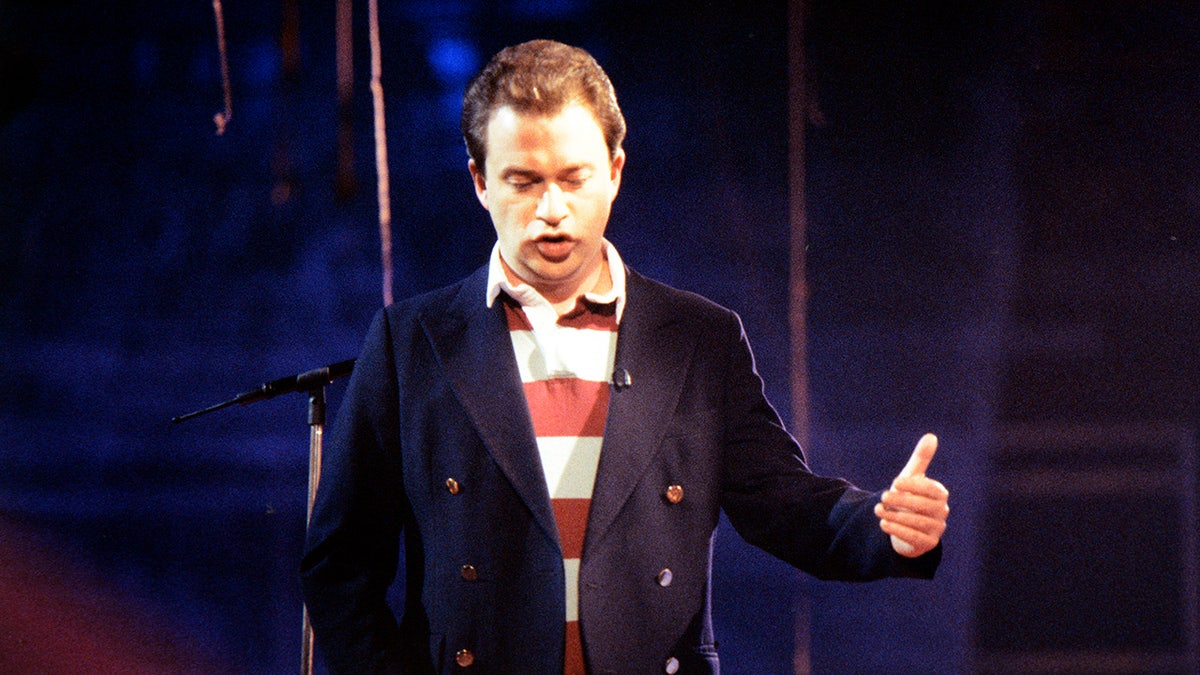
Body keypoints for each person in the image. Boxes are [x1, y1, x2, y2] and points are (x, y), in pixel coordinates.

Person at [300, 39, 950, 674]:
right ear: (479, 181)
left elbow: (787, 505)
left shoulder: (700, 339)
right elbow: (340, 566)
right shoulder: (412, 340)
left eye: (573, 178)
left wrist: (884, 525)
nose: (551, 211)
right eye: (523, 181)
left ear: (613, 171)